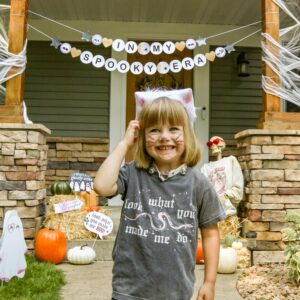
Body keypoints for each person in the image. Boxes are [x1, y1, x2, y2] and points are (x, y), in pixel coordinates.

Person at [94, 89, 226, 300]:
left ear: (187, 134)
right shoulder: (132, 173)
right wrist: (125, 143)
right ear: (142, 136)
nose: (164, 137)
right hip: (129, 290)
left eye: (174, 128)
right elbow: (101, 186)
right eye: (154, 130)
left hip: (175, 291)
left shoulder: (197, 183)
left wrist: (209, 283)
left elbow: (210, 234)